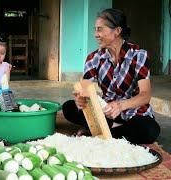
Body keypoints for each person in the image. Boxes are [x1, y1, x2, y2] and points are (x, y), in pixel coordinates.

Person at [62, 8, 160, 144]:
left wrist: (120, 106)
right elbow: (85, 88)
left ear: (117, 31)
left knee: (150, 130)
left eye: (100, 29)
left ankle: (104, 133)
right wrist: (81, 98)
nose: (95, 34)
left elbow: (145, 95)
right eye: (95, 29)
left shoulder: (138, 55)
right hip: (105, 113)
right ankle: (112, 130)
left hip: (134, 113)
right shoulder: (93, 58)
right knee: (69, 107)